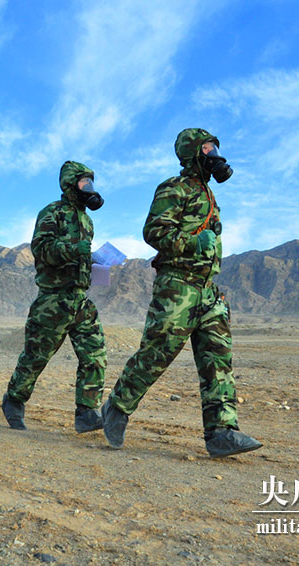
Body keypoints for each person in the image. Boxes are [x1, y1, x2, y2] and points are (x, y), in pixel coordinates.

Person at [101, 128, 262, 458]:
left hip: (207, 290)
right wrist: (192, 242)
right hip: (178, 287)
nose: (215, 151)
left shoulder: (208, 195)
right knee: (156, 355)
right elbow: (153, 231)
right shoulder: (174, 188)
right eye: (208, 147)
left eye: (216, 145)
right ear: (193, 152)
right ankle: (116, 407)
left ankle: (221, 432)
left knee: (217, 361)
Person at [2, 161, 108, 433]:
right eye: (85, 183)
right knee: (36, 357)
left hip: (81, 299)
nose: (90, 188)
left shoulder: (87, 219)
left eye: (91, 183)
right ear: (71, 184)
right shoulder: (52, 212)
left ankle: (86, 412)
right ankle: (13, 400)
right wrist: (75, 249)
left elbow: (81, 255)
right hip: (54, 300)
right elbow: (43, 249)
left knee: (94, 355)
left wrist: (99, 266)